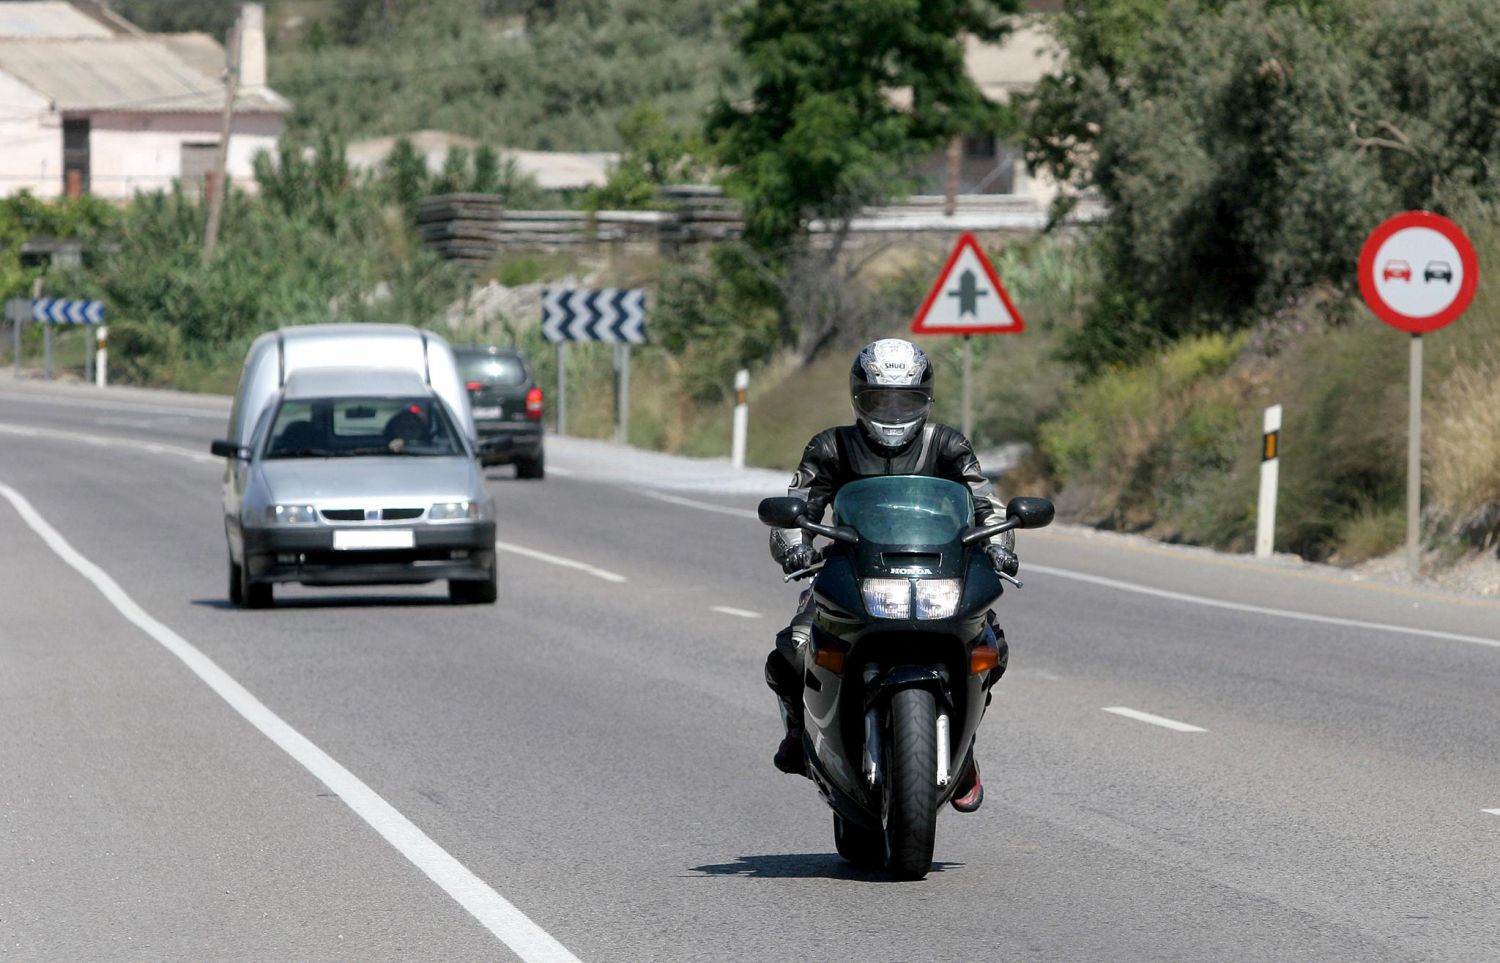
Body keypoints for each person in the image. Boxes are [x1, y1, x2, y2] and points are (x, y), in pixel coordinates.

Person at [765, 338, 1017, 814]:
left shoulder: (948, 445)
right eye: (882, 400)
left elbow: (987, 505)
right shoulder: (829, 447)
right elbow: (795, 508)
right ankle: (800, 734)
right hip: (851, 573)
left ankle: (964, 751)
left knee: (991, 648)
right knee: (791, 651)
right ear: (860, 397)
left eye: (906, 400)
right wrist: (794, 547)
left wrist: (1002, 546)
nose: (894, 412)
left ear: (925, 398)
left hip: (937, 569)